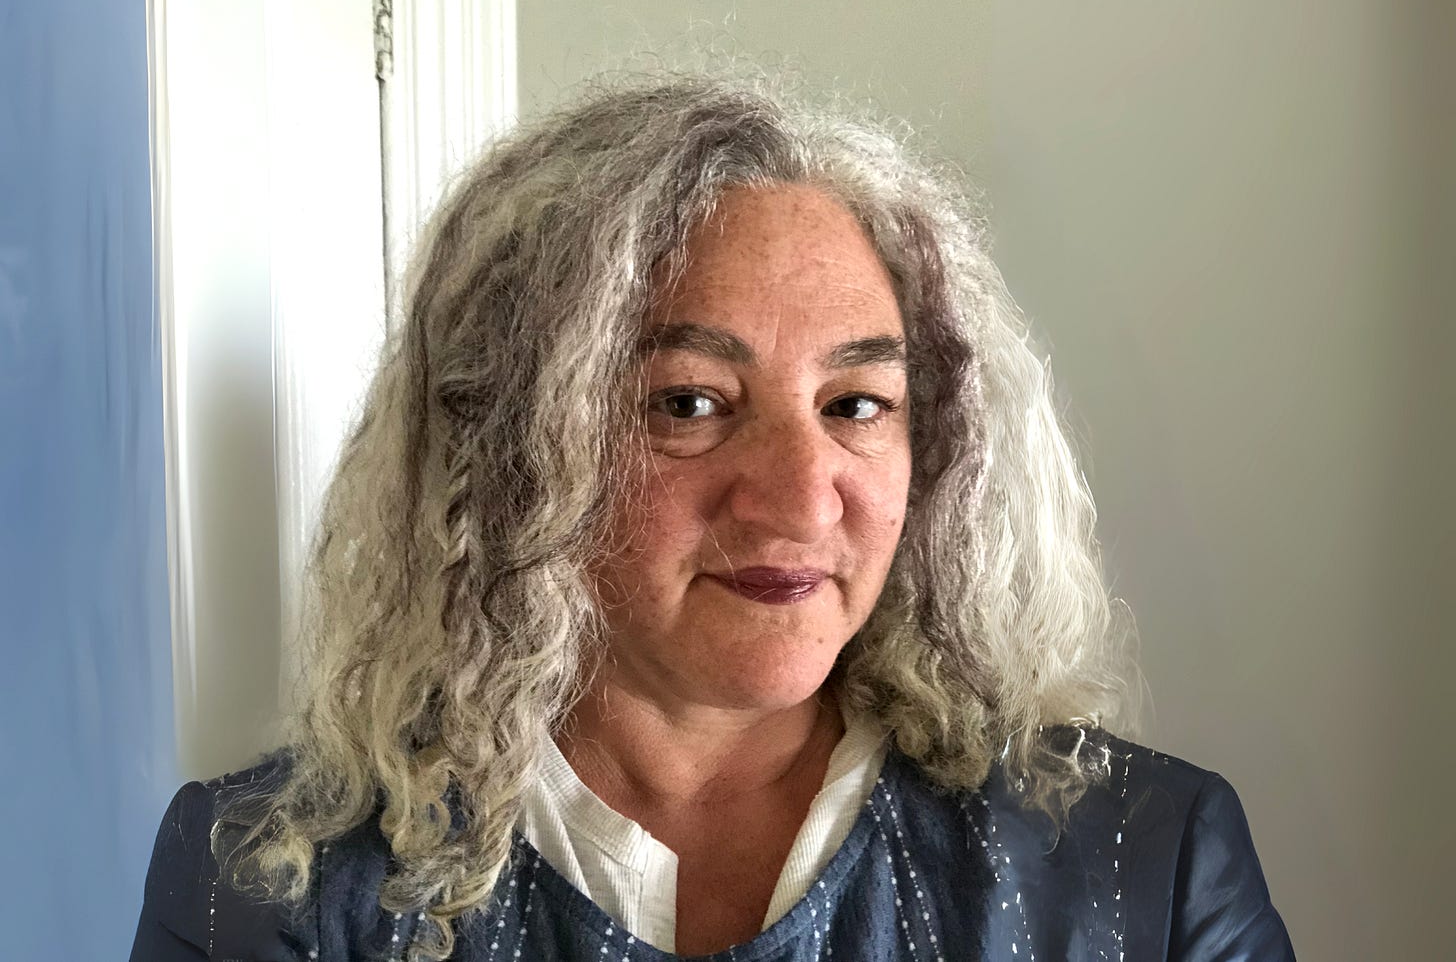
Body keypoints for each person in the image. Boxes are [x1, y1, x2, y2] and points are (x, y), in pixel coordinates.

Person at [130, 75, 1295, 961]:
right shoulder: (269, 883)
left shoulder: (1144, 864)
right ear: (510, 446)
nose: (800, 494)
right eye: (688, 404)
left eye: (856, 404)